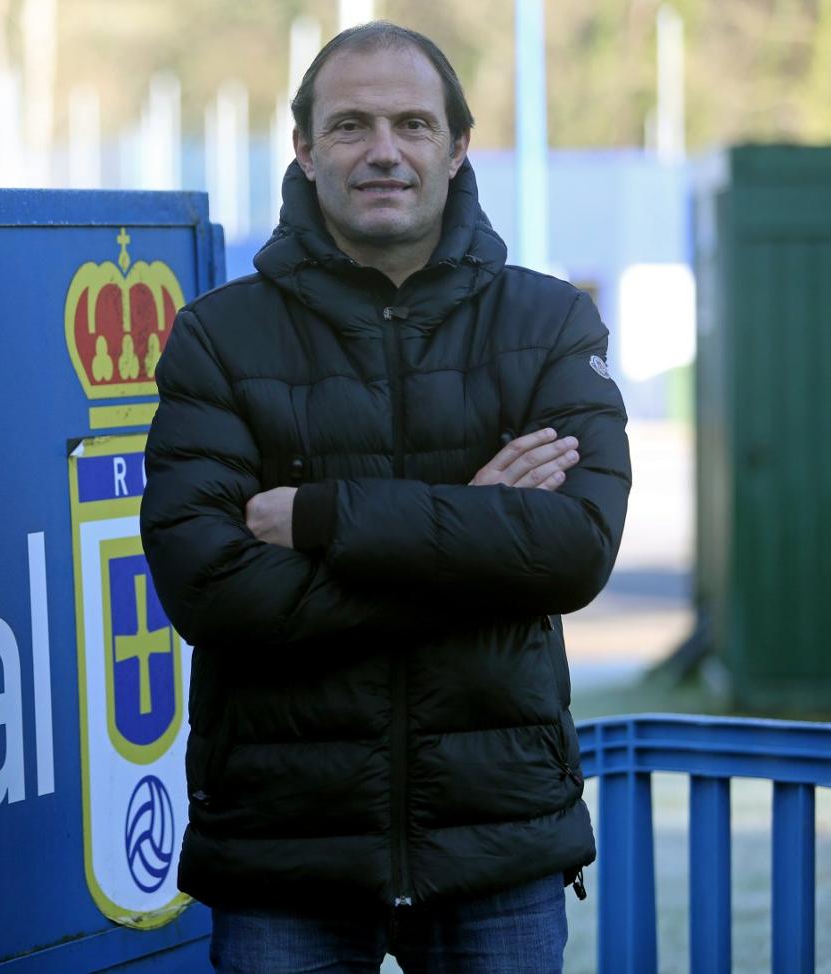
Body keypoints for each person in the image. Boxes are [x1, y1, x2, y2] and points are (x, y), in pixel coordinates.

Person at [140, 20, 630, 974]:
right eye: (352, 125)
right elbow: (213, 591)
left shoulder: (549, 320)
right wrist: (476, 529)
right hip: (286, 851)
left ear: (456, 148)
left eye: (412, 124)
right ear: (306, 151)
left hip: (499, 844)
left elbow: (573, 549)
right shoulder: (216, 339)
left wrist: (329, 518)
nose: (384, 152)